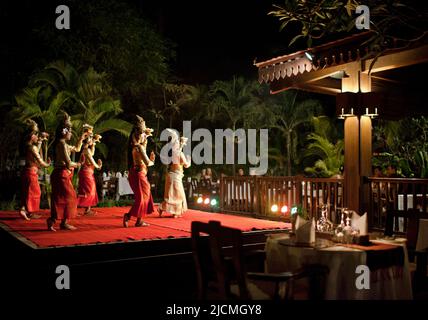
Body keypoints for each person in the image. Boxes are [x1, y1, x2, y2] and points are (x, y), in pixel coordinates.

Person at [47, 112, 86, 231]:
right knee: (68, 197)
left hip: (62, 174)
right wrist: (79, 164)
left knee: (64, 198)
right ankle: (55, 220)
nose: (71, 133)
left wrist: (81, 138)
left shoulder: (64, 144)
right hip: (61, 174)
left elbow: (77, 149)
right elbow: (69, 163)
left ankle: (60, 221)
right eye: (69, 131)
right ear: (64, 131)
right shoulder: (62, 144)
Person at [123, 115, 156, 227]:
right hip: (138, 174)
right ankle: (128, 216)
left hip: (137, 173)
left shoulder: (136, 146)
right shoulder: (139, 147)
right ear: (138, 134)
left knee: (144, 196)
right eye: (143, 134)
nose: (145, 136)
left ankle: (139, 220)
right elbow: (147, 163)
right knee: (142, 198)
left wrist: (145, 141)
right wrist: (152, 161)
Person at [19, 120, 51, 220]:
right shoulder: (32, 147)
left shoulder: (28, 146)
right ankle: (27, 211)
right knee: (35, 192)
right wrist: (47, 164)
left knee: (27, 192)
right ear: (32, 136)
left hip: (27, 171)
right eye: (36, 135)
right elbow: (39, 160)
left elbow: (36, 150)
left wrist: (40, 140)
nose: (37, 136)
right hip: (31, 172)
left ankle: (24, 209)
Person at [159, 131, 191, 218]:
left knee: (172, 194)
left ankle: (164, 209)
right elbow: (186, 165)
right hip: (175, 176)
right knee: (178, 194)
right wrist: (189, 160)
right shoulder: (179, 153)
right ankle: (173, 211)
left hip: (172, 175)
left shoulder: (172, 152)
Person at [77, 126, 102, 215]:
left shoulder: (86, 149)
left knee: (89, 190)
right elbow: (92, 160)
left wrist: (94, 143)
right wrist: (98, 166)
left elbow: (92, 153)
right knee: (88, 191)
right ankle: (75, 205)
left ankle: (87, 209)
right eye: (90, 138)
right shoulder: (86, 150)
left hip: (87, 172)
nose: (91, 139)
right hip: (86, 172)